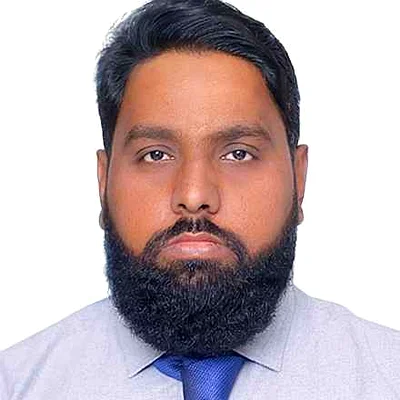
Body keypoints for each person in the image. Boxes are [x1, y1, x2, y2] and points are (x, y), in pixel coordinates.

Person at [1, 0, 399, 398]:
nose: (194, 196)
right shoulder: (17, 385)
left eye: (238, 153)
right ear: (103, 181)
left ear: (299, 177)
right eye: (155, 155)